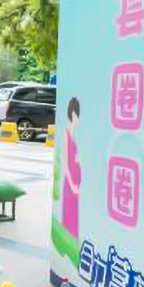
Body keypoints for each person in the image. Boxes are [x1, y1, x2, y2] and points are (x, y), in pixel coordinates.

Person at [62, 98, 81, 239]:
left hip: (76, 176)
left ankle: (73, 237)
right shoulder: (67, 133)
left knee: (74, 209)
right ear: (73, 114)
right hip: (71, 178)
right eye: (77, 115)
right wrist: (71, 183)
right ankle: (69, 237)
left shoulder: (74, 134)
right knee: (70, 209)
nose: (78, 119)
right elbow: (66, 161)